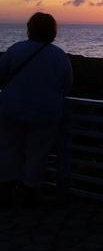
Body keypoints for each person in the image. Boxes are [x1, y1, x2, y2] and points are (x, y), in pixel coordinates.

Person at [0, 12, 73, 207]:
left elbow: (2, 75)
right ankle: (30, 192)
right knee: (38, 153)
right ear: (53, 31)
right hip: (45, 111)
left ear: (29, 28)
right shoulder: (58, 56)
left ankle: (6, 189)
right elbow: (67, 85)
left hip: (11, 108)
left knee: (8, 148)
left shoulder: (15, 50)